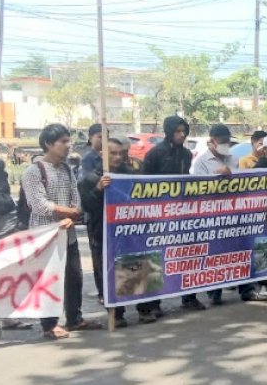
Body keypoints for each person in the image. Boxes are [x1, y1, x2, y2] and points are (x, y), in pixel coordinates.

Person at [22, 123, 100, 340]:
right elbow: (38, 204)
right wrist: (68, 213)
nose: (68, 145)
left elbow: (76, 198)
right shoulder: (34, 171)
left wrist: (74, 213)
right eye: (63, 142)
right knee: (48, 280)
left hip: (69, 234)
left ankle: (74, 318)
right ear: (48, 144)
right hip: (44, 236)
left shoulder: (66, 169)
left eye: (69, 141)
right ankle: (49, 325)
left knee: (74, 278)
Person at [193, 124, 266, 304]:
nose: (226, 144)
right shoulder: (201, 162)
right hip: (213, 216)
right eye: (222, 141)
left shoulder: (234, 159)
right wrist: (217, 179)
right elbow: (197, 190)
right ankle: (214, 293)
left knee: (241, 252)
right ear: (212, 141)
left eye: (228, 141)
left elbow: (243, 185)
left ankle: (247, 289)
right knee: (216, 254)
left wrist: (232, 176)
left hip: (236, 215)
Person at [142, 115, 207, 315]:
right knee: (156, 257)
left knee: (186, 256)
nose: (182, 135)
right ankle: (153, 304)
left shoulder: (187, 154)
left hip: (182, 214)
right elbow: (143, 184)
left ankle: (189, 297)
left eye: (184, 131)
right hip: (158, 215)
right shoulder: (155, 154)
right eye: (178, 131)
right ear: (169, 131)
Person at [78, 138, 130, 327]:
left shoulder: (128, 174)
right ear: (102, 154)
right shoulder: (91, 177)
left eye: (121, 153)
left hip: (126, 231)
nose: (118, 157)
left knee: (130, 268)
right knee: (106, 272)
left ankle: (138, 307)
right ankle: (115, 313)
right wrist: (99, 189)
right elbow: (86, 206)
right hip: (101, 232)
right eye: (113, 153)